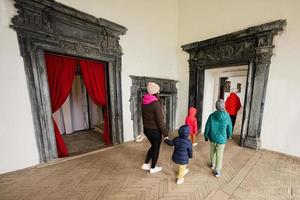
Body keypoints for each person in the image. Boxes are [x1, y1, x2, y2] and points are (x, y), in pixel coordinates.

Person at [141, 82, 168, 174]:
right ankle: (153, 168)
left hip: (146, 130)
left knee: (153, 146)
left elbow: (143, 116)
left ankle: (145, 164)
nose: (159, 92)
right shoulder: (155, 103)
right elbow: (160, 122)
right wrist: (166, 135)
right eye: (158, 90)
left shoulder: (144, 100)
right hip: (155, 131)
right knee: (156, 148)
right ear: (155, 92)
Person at [204, 99, 232, 178]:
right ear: (224, 106)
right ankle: (217, 170)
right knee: (220, 154)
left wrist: (206, 136)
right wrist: (229, 135)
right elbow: (229, 127)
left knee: (212, 150)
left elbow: (207, 126)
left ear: (216, 107)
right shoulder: (227, 116)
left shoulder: (212, 115)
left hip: (212, 137)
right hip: (222, 139)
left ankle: (212, 163)